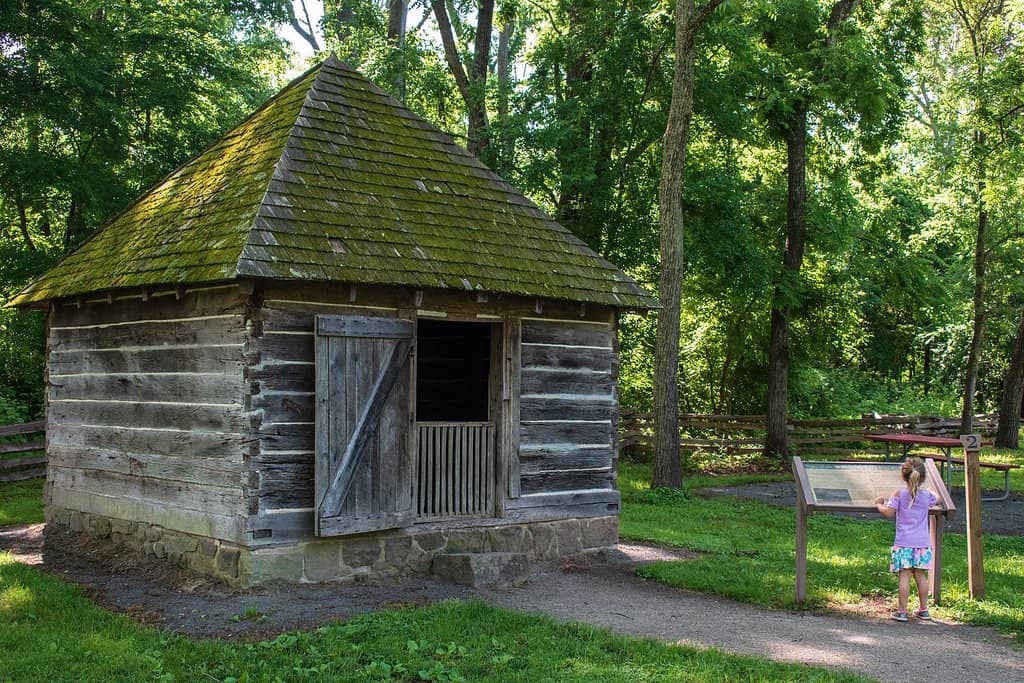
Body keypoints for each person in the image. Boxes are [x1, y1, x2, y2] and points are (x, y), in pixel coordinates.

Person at [875, 456, 939, 622]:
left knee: (904, 575)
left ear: (903, 476)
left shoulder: (900, 494)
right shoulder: (926, 496)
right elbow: (937, 498)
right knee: (920, 575)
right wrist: (931, 490)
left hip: (904, 542)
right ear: (922, 477)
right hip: (922, 544)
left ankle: (902, 611)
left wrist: (879, 504)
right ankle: (924, 610)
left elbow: (889, 512)